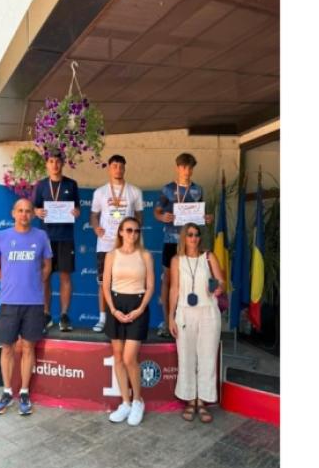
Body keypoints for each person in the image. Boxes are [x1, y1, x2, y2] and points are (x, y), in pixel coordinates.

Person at [0, 198, 53, 415]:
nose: (24, 214)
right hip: (9, 302)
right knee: (7, 347)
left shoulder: (41, 236)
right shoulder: (2, 236)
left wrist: (35, 283)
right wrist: (7, 282)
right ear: (13, 213)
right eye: (20, 210)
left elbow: (47, 266)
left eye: (27, 211)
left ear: (33, 215)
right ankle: (7, 392)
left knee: (28, 347)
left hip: (33, 303)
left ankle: (24, 392)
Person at [167, 223, 224, 423]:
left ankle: (203, 401)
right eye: (190, 234)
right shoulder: (177, 260)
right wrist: (171, 316)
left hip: (208, 312)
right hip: (184, 312)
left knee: (208, 358)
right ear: (184, 237)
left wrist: (218, 288)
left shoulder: (208, 256)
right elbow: (174, 289)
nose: (194, 238)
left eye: (197, 234)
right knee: (186, 357)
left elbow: (221, 281)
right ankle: (190, 399)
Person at [102, 217, 155, 426]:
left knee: (129, 358)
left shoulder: (145, 255)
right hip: (116, 306)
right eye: (129, 230)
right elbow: (106, 286)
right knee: (118, 357)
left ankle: (138, 401)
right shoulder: (111, 255)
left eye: (136, 231)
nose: (133, 234)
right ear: (121, 232)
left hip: (138, 306)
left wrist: (140, 309)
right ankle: (125, 403)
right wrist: (113, 310)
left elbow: (150, 286)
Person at [153, 152, 212, 338]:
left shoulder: (198, 190)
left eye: (190, 167)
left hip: (190, 243)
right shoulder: (168, 189)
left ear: (193, 169)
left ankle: (186, 322)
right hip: (171, 240)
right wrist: (162, 216)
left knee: (189, 280)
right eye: (183, 167)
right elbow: (157, 212)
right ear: (177, 168)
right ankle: (166, 322)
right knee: (167, 280)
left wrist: (206, 218)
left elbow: (200, 213)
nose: (187, 171)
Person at [90, 154, 144, 332]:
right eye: (114, 166)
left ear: (124, 168)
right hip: (105, 244)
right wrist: (96, 227)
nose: (118, 169)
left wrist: (133, 233)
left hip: (127, 246)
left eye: (121, 166)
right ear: (109, 168)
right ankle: (102, 318)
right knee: (103, 283)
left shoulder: (135, 191)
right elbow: (94, 215)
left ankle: (127, 317)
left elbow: (139, 216)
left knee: (128, 281)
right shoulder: (100, 192)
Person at [33, 154, 80, 332]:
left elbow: (77, 208)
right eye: (51, 161)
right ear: (47, 164)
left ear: (62, 164)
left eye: (58, 161)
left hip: (65, 237)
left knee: (65, 276)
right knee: (45, 277)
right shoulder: (41, 185)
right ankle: (46, 314)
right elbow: (34, 207)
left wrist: (76, 212)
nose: (55, 165)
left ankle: (64, 315)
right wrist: (37, 212)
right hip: (45, 238)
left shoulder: (71, 184)